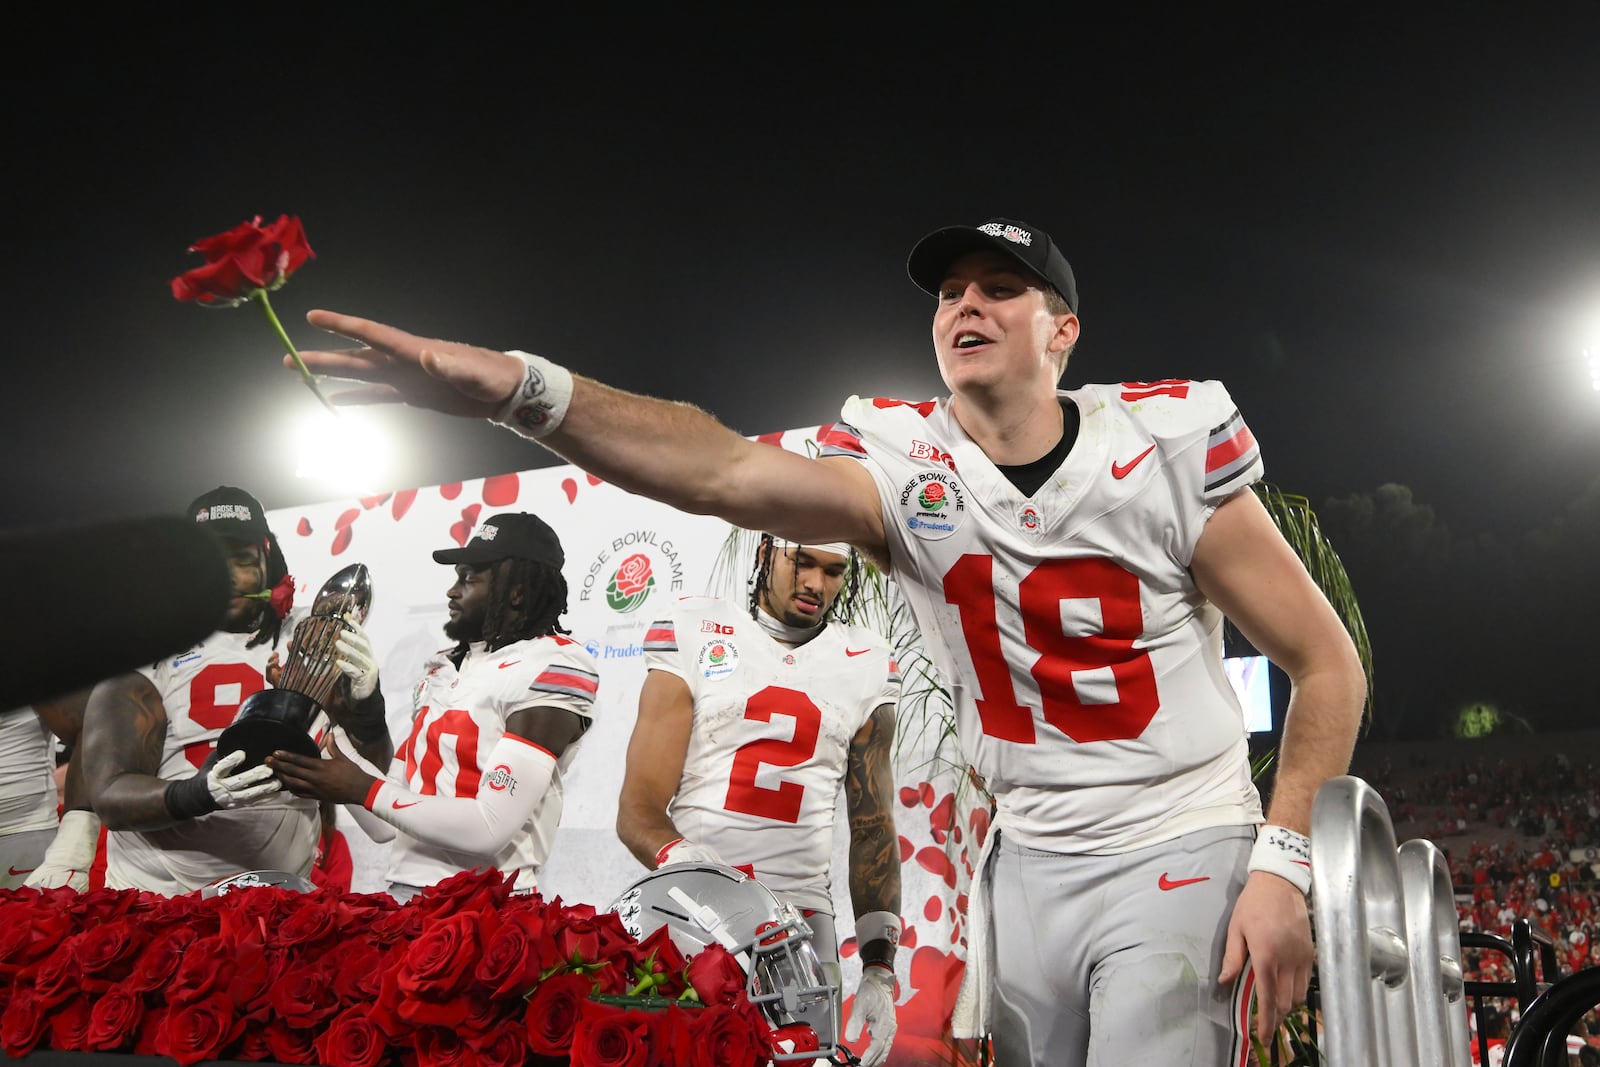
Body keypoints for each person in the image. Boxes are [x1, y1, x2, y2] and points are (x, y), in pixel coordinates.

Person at [289, 215, 1368, 1065]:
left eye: (1001, 288)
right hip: (1028, 853)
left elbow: (1324, 661)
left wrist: (1279, 861)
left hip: (1175, 829)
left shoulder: (1164, 445)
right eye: (950, 292)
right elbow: (714, 466)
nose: (966, 305)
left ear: (1063, 330)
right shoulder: (905, 466)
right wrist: (525, 392)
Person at [616, 534, 902, 1066]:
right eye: (804, 562)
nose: (818, 584)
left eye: (835, 571)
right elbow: (638, 807)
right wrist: (692, 871)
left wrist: (879, 968)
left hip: (799, 925)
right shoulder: (696, 627)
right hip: (693, 909)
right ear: (768, 550)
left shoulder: (866, 661)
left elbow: (873, 826)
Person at [268, 512, 599, 901]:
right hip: (407, 900)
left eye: (468, 578)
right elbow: (383, 826)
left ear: (518, 592)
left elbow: (489, 827)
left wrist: (363, 788)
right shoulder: (445, 667)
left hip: (489, 909)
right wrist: (320, 710)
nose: (452, 592)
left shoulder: (553, 664)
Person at [79, 486, 393, 894]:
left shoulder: (308, 635)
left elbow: (368, 778)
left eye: (242, 560)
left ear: (268, 562)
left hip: (280, 894)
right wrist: (197, 793)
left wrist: (367, 708)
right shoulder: (144, 647)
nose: (226, 577)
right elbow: (110, 793)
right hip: (158, 896)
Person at [1, 690, 92, 889]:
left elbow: (90, 729)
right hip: (22, 832)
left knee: (26, 919)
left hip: (22, 830)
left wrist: (74, 836)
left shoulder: (23, 662)